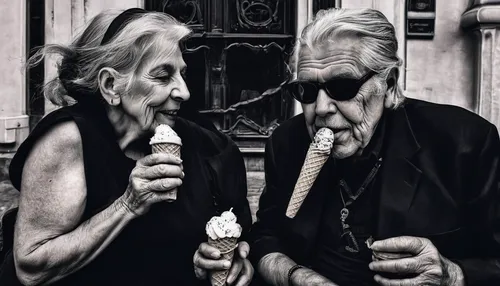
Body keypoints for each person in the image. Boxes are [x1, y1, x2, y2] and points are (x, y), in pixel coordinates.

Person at [0, 8, 254, 286]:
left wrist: (217, 261)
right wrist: (128, 205)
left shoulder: (208, 146)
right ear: (111, 85)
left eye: (182, 74)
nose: (184, 92)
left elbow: (229, 242)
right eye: (162, 76)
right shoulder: (69, 140)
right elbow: (31, 268)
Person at [248, 8, 500, 286]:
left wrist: (453, 275)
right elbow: (265, 236)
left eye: (343, 87)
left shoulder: (463, 143)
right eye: (306, 91)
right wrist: (296, 276)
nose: (320, 109)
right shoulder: (286, 143)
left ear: (389, 86)